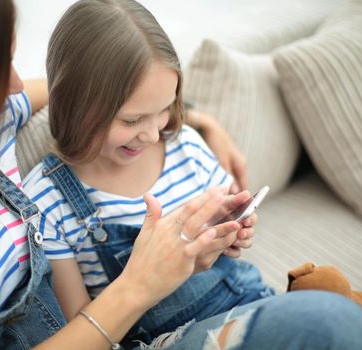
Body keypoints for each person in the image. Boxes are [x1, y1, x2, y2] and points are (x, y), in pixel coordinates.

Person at [0, 0, 362, 349]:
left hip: (228, 298)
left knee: (335, 317)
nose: (16, 86)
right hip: (139, 333)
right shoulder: (50, 190)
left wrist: (193, 119)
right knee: (328, 319)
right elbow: (80, 97)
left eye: (9, 58)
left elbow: (95, 85)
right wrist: (143, 282)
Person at [24, 0, 274, 346]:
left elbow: (224, 228)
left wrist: (231, 235)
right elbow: (82, 326)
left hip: (247, 300)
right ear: (74, 104)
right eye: (131, 120)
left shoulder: (185, 144)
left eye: (163, 111)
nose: (154, 134)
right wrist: (171, 271)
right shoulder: (46, 202)